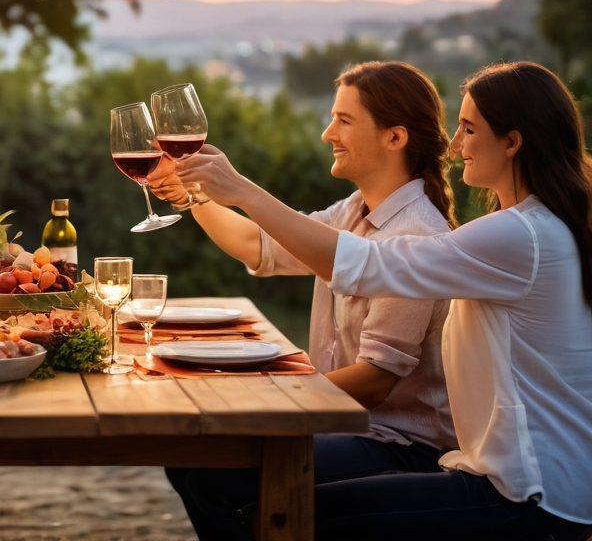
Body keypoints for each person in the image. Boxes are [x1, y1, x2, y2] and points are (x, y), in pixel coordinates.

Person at [168, 61, 592, 540]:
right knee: (256, 494)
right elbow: (279, 249)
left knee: (291, 512)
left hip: (528, 496)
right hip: (524, 485)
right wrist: (201, 195)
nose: (455, 145)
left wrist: (242, 189)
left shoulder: (519, 235)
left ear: (513, 142)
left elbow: (366, 267)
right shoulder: (529, 230)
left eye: (469, 129)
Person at [149, 61, 457, 540]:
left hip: (398, 443)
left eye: (344, 120)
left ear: (395, 137)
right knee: (193, 458)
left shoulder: (416, 236)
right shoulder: (355, 210)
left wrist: (266, 400)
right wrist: (196, 197)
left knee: (217, 471)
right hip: (343, 424)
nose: (326, 132)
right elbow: (259, 245)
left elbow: (375, 381)